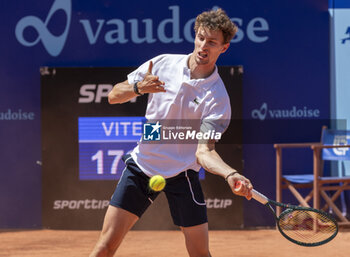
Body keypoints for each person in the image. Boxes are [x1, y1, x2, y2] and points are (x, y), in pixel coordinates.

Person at [89, 8, 253, 257]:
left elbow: (204, 152)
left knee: (200, 253)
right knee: (105, 247)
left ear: (224, 48)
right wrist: (137, 87)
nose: (203, 46)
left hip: (182, 174)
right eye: (200, 37)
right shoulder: (164, 63)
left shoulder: (217, 99)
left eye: (212, 42)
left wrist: (230, 174)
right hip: (142, 166)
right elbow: (113, 96)